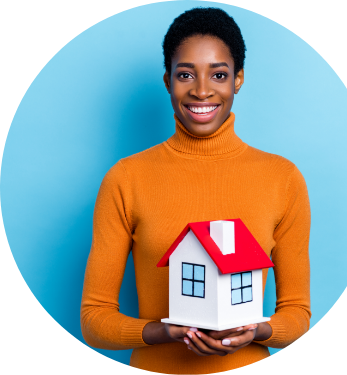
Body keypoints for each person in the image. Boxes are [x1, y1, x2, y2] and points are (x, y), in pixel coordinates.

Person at [80, 7, 311, 374]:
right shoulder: (126, 178)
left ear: (238, 80)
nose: (202, 90)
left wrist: (255, 331)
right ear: (168, 81)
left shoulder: (283, 178)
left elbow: (297, 314)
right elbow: (94, 320)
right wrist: (164, 331)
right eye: (185, 74)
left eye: (218, 74)